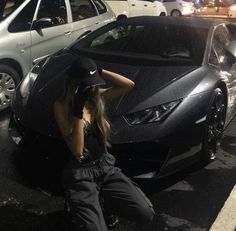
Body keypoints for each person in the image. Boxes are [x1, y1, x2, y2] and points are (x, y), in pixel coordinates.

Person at [53, 56, 155, 231]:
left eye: (92, 83)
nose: (91, 87)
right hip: (80, 173)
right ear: (74, 83)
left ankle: (106, 202)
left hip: (104, 166)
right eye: (86, 83)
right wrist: (77, 111)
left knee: (146, 212)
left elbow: (129, 85)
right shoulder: (61, 105)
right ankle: (76, 205)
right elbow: (77, 150)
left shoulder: (95, 97)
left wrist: (98, 72)